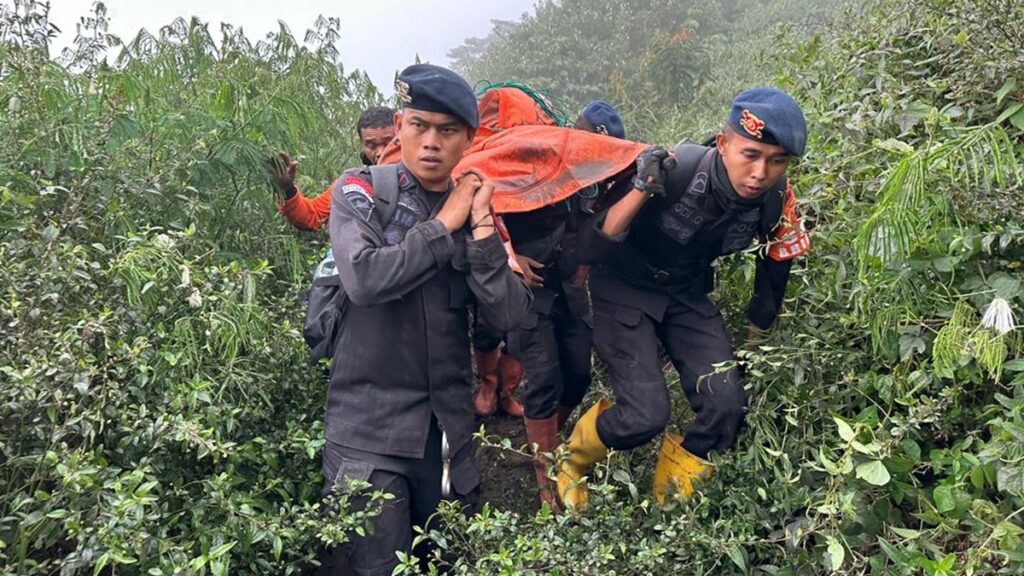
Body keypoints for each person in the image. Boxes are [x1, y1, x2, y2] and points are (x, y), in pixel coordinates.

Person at [556, 87, 811, 509]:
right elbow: (592, 247)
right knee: (645, 414)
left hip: (686, 292)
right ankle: (571, 462)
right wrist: (641, 186)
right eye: (751, 154)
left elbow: (774, 272)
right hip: (623, 287)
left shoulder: (776, 199)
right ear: (724, 143)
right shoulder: (676, 168)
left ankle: (668, 507)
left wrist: (752, 344)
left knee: (726, 405)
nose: (761, 172)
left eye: (777, 160)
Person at [321, 64, 530, 574]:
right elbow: (365, 280)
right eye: (420, 125)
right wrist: (444, 225)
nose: (431, 142)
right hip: (368, 437)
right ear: (400, 126)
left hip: (446, 436)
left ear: (468, 140)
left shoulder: (477, 209)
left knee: (448, 563)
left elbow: (508, 314)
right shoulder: (360, 192)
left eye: (447, 130)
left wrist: (480, 227)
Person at [505, 99, 626, 510]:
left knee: (577, 373)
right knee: (542, 376)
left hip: (569, 289)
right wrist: (509, 256)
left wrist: (586, 265)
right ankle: (546, 479)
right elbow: (484, 195)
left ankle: (549, 441)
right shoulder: (532, 157)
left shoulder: (601, 179)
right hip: (530, 288)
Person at [270, 106, 397, 231]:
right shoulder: (352, 184)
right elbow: (312, 216)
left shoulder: (416, 174)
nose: (380, 152)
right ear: (362, 144)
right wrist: (287, 189)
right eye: (371, 145)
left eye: (388, 143)